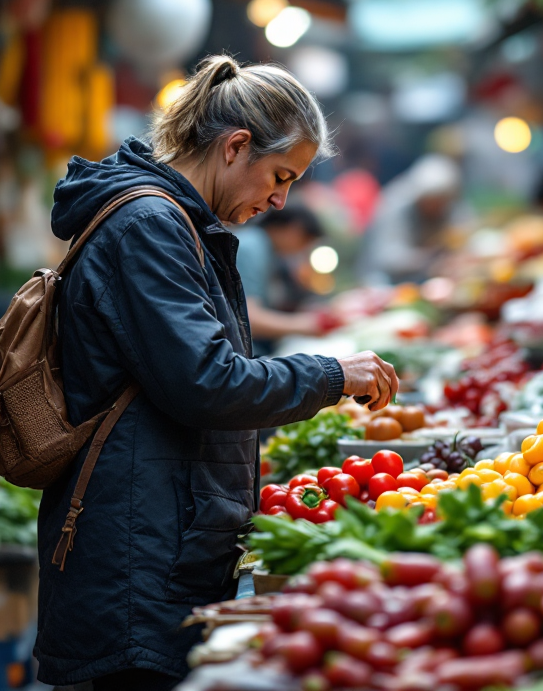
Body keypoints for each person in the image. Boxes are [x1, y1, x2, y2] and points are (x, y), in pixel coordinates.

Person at [35, 55, 399, 691]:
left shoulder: (180, 225)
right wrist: (332, 375)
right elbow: (207, 380)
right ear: (236, 147)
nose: (281, 199)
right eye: (280, 175)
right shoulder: (150, 227)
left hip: (160, 537)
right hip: (138, 558)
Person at [235, 204, 335, 353]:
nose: (303, 249)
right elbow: (248, 319)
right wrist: (307, 325)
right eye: (306, 242)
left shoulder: (270, 251)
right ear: (295, 230)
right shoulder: (252, 246)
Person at [360, 154, 466, 284]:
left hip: (426, 280)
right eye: (433, 202)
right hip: (386, 281)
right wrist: (428, 260)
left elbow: (462, 228)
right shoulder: (395, 205)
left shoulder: (445, 205)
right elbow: (387, 258)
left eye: (442, 203)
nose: (437, 208)